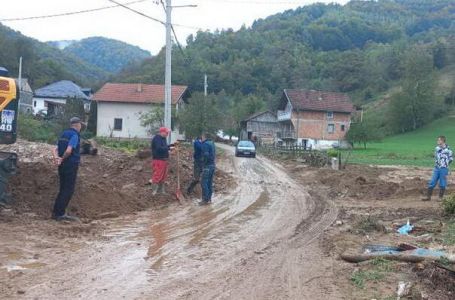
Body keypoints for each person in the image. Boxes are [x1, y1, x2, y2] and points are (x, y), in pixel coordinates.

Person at [51, 117, 83, 221]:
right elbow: (69, 151)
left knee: (62, 188)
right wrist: (63, 158)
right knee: (68, 189)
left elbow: (55, 149)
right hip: (70, 164)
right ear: (78, 125)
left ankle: (56, 212)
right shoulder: (74, 135)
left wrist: (57, 158)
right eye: (80, 125)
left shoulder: (64, 134)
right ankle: (60, 214)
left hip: (62, 165)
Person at [422, 135, 453, 201]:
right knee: (432, 181)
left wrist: (445, 165)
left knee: (442, 182)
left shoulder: (449, 150)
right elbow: (436, 157)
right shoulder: (437, 148)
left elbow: (451, 159)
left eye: (438, 140)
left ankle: (440, 198)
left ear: (442, 141)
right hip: (436, 168)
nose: (437, 141)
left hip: (444, 169)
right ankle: (428, 197)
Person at [150, 127, 173, 195]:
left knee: (163, 176)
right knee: (157, 174)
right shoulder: (157, 138)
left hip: (164, 160)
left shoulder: (163, 139)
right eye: (166, 133)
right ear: (162, 132)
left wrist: (171, 145)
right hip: (158, 160)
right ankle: (154, 191)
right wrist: (168, 148)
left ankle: (161, 191)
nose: (167, 134)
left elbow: (165, 147)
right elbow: (159, 148)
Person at [199, 133, 216, 205]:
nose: (201, 138)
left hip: (207, 166)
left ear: (204, 137)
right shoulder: (212, 143)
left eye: (202, 137)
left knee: (203, 182)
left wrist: (203, 163)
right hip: (212, 165)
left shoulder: (205, 144)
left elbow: (206, 155)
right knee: (209, 183)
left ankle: (205, 199)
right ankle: (209, 199)